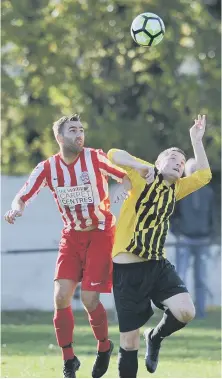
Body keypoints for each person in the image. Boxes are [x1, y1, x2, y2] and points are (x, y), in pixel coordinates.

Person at [4, 114, 128, 379]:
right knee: (60, 296)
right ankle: (69, 360)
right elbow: (23, 196)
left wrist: (121, 190)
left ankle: (104, 347)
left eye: (81, 130)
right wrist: (15, 210)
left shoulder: (95, 157)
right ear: (59, 137)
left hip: (100, 232)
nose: (79, 134)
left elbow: (125, 177)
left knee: (88, 299)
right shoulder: (48, 168)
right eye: (72, 130)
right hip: (71, 235)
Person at [107, 115, 212, 378]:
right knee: (128, 343)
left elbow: (205, 174)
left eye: (181, 161)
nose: (178, 164)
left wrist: (195, 141)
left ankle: (154, 337)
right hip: (127, 270)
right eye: (173, 159)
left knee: (186, 311)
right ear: (158, 162)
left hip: (157, 265)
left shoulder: (176, 189)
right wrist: (136, 166)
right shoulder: (143, 172)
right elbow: (112, 154)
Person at [171, 157, 216, 318]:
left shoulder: (208, 192)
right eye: (192, 170)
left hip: (202, 240)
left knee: (201, 278)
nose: (194, 173)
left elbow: (213, 216)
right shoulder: (181, 190)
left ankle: (201, 312)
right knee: (180, 277)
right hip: (184, 240)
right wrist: (177, 233)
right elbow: (172, 215)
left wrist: (212, 234)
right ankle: (181, 311)